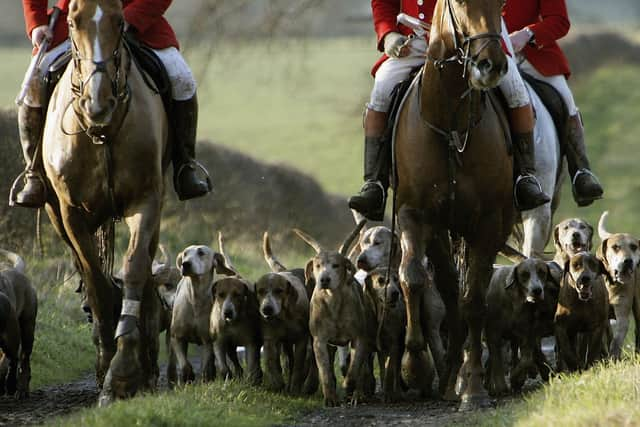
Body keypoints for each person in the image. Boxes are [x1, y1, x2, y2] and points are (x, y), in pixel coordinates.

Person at [349, 0, 550, 221]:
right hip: (413, 41)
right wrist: (387, 33)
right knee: (380, 94)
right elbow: (383, 3)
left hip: (475, 39)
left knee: (516, 93)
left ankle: (525, 177)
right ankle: (374, 183)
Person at [12, 0, 211, 208]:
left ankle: (185, 166)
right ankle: (33, 173)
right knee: (33, 84)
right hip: (76, 24)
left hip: (135, 24)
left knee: (182, 79)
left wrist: (131, 18)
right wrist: (36, 23)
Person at [503, 0, 603, 207]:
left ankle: (581, 171)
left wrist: (528, 34)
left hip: (530, 55)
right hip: (482, 54)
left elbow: (559, 21)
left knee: (565, 99)